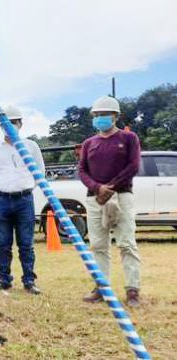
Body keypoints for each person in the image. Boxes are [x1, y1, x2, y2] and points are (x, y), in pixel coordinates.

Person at [79, 96, 142, 308]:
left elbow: (133, 166)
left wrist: (111, 187)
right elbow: (82, 171)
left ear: (115, 116)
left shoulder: (129, 138)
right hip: (94, 198)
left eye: (104, 114)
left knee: (126, 243)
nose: (100, 118)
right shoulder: (89, 143)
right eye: (96, 115)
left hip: (122, 196)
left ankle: (132, 290)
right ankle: (101, 287)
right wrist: (98, 188)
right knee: (98, 245)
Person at [0, 105, 44, 295]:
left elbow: (39, 172)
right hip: (1, 200)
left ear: (20, 124)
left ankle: (29, 280)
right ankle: (4, 279)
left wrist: (24, 187)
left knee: (26, 243)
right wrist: (4, 187)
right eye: (5, 123)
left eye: (13, 122)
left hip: (24, 199)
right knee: (3, 244)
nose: (9, 126)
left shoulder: (31, 147)